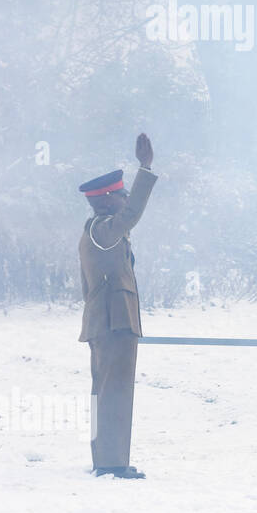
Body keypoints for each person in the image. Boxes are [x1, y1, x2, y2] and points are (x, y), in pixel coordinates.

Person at [78, 134, 158, 479]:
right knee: (114, 392)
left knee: (109, 391)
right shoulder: (102, 230)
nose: (126, 199)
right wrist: (146, 169)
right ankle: (111, 463)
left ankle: (107, 459)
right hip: (113, 323)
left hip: (110, 321)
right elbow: (131, 216)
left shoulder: (101, 230)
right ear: (107, 200)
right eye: (122, 194)